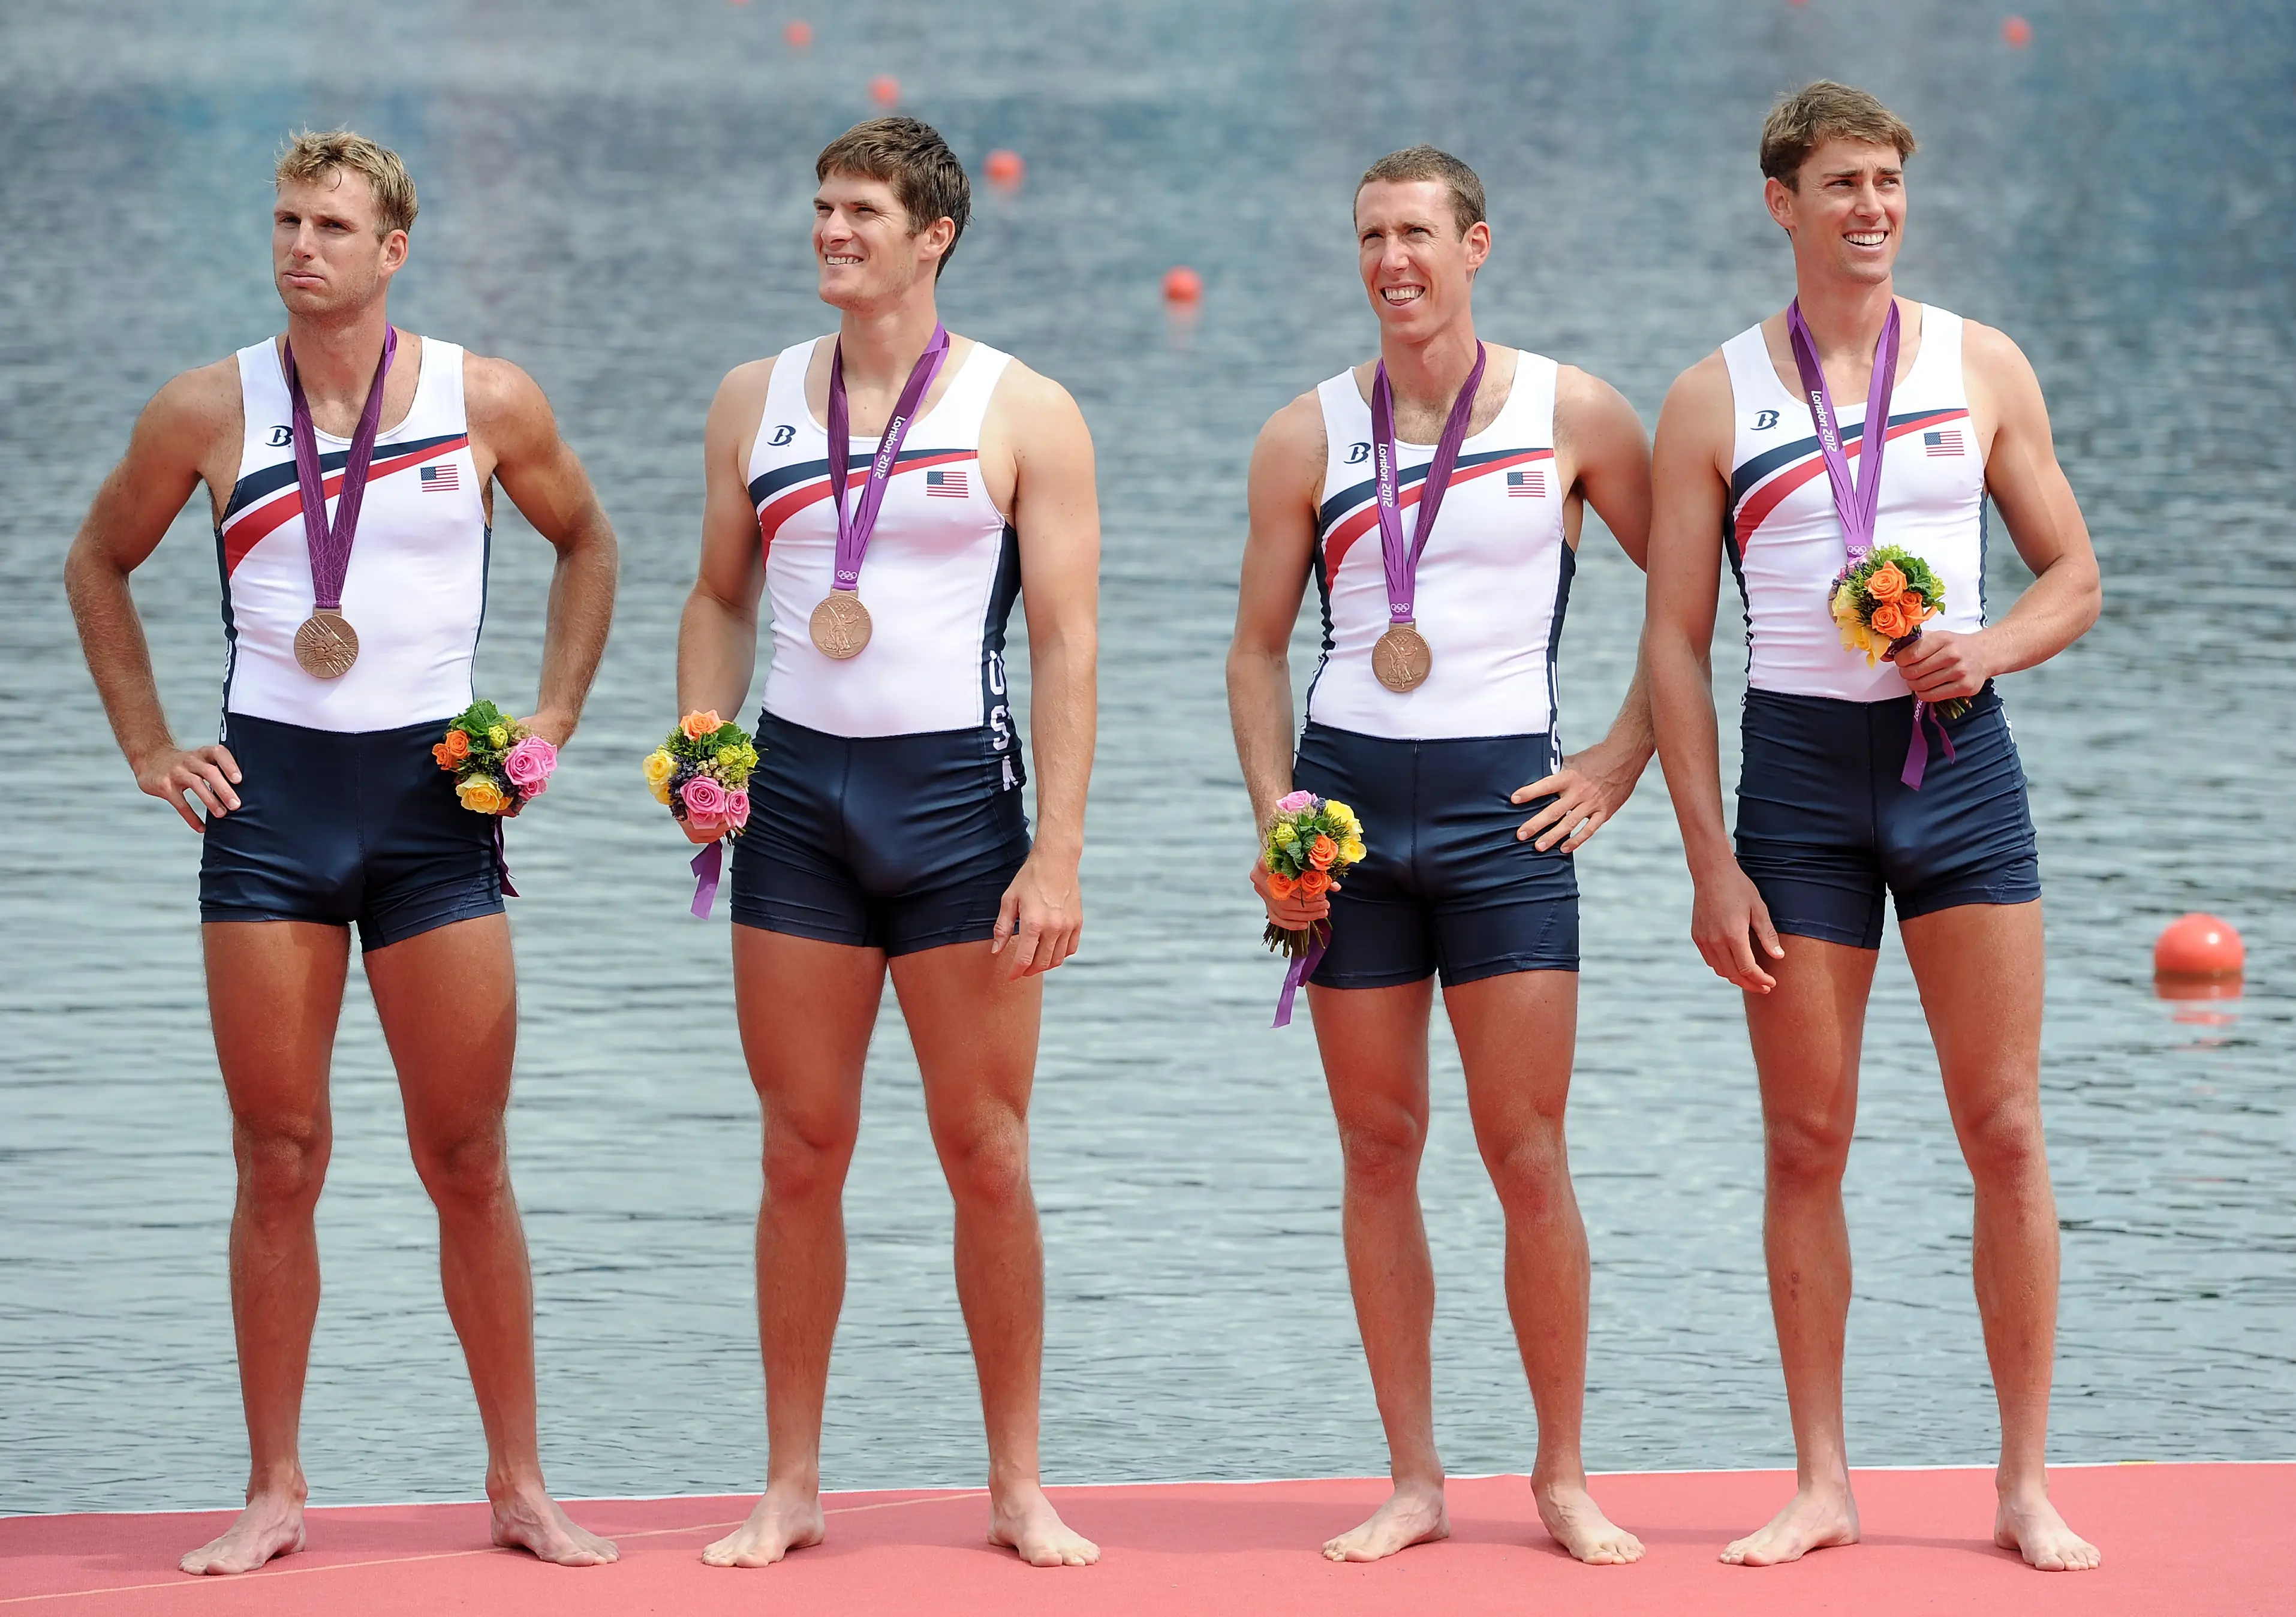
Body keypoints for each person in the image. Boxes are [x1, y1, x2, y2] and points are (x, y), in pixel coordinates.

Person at [62, 130, 621, 1574]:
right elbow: (95, 563)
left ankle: (522, 1485)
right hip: (270, 814)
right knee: (276, 1155)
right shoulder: (206, 408)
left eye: (331, 224)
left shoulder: (483, 400)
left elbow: (590, 545)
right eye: (285, 220)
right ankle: (273, 1490)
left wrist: (548, 716)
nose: (300, 245)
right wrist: (147, 744)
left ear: (395, 251)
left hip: (438, 811)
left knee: (467, 1158)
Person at [1642, 83, 2103, 1572]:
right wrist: (1710, 859)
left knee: (2008, 1128)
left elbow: (2073, 578)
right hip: (1797, 791)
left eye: (1891, 182)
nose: (1873, 209)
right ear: (1783, 203)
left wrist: (1991, 648)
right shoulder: (1716, 397)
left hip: (1958, 763)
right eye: (1843, 183)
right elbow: (1672, 648)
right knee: (1805, 1138)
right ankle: (1823, 1479)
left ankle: (2024, 1484)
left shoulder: (1982, 366)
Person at [675, 118, 1101, 1571]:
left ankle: (1019, 1483)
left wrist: (1057, 853)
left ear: (936, 238)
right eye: (820, 208)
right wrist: (699, 738)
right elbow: (721, 598)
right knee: (801, 1150)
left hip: (957, 816)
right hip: (794, 806)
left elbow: (1066, 645)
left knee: (985, 1151)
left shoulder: (1023, 409)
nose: (830, 232)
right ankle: (791, 1484)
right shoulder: (754, 399)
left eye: (861, 212)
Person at [1226, 144, 1657, 1566]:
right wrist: (1276, 813)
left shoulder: (1574, 412)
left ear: (1477, 245)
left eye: (1417, 233)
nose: (1392, 260)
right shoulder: (1305, 435)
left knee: (1527, 1150)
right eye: (1371, 236)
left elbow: (1700, 606)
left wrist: (1618, 757)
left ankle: (1563, 1476)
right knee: (1377, 1146)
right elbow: (1256, 650)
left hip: (1506, 819)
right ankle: (1414, 1478)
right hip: (1347, 816)